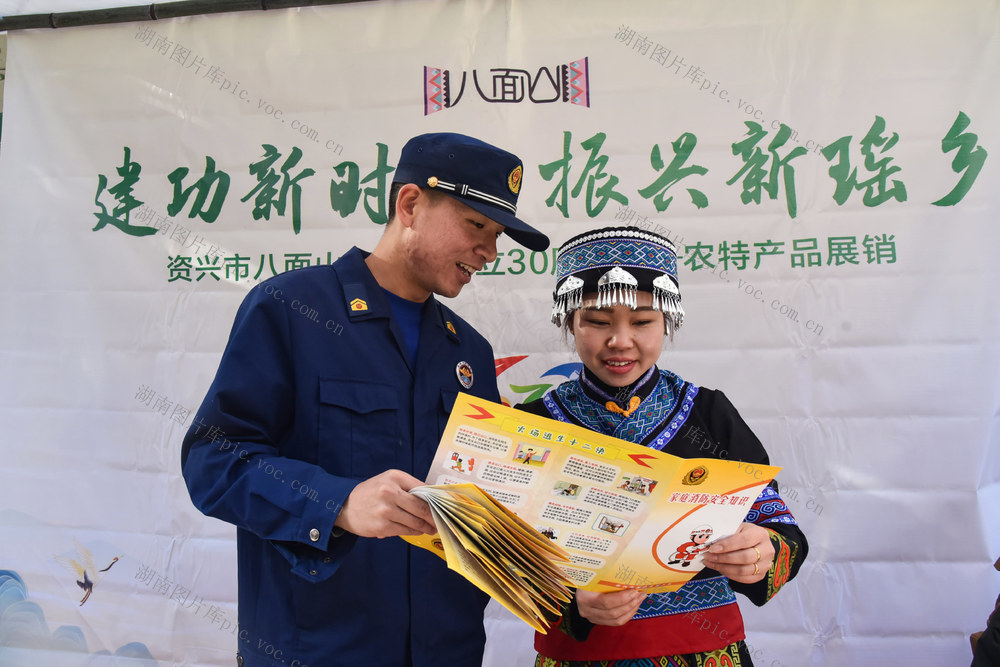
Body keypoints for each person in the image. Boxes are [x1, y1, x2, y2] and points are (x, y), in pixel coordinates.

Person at [180, 132, 549, 667]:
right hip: (317, 648)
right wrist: (339, 504)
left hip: (446, 650)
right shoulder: (290, 310)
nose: (489, 252)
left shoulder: (468, 351)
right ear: (410, 204)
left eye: (496, 235)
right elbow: (212, 461)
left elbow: (486, 509)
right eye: (476, 225)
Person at [516, 226, 807, 666]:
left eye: (643, 321)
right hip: (578, 656)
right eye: (597, 321)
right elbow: (500, 559)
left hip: (702, 653)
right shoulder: (533, 424)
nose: (620, 341)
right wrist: (572, 602)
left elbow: (782, 531)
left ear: (667, 321)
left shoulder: (708, 414)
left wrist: (762, 550)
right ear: (568, 323)